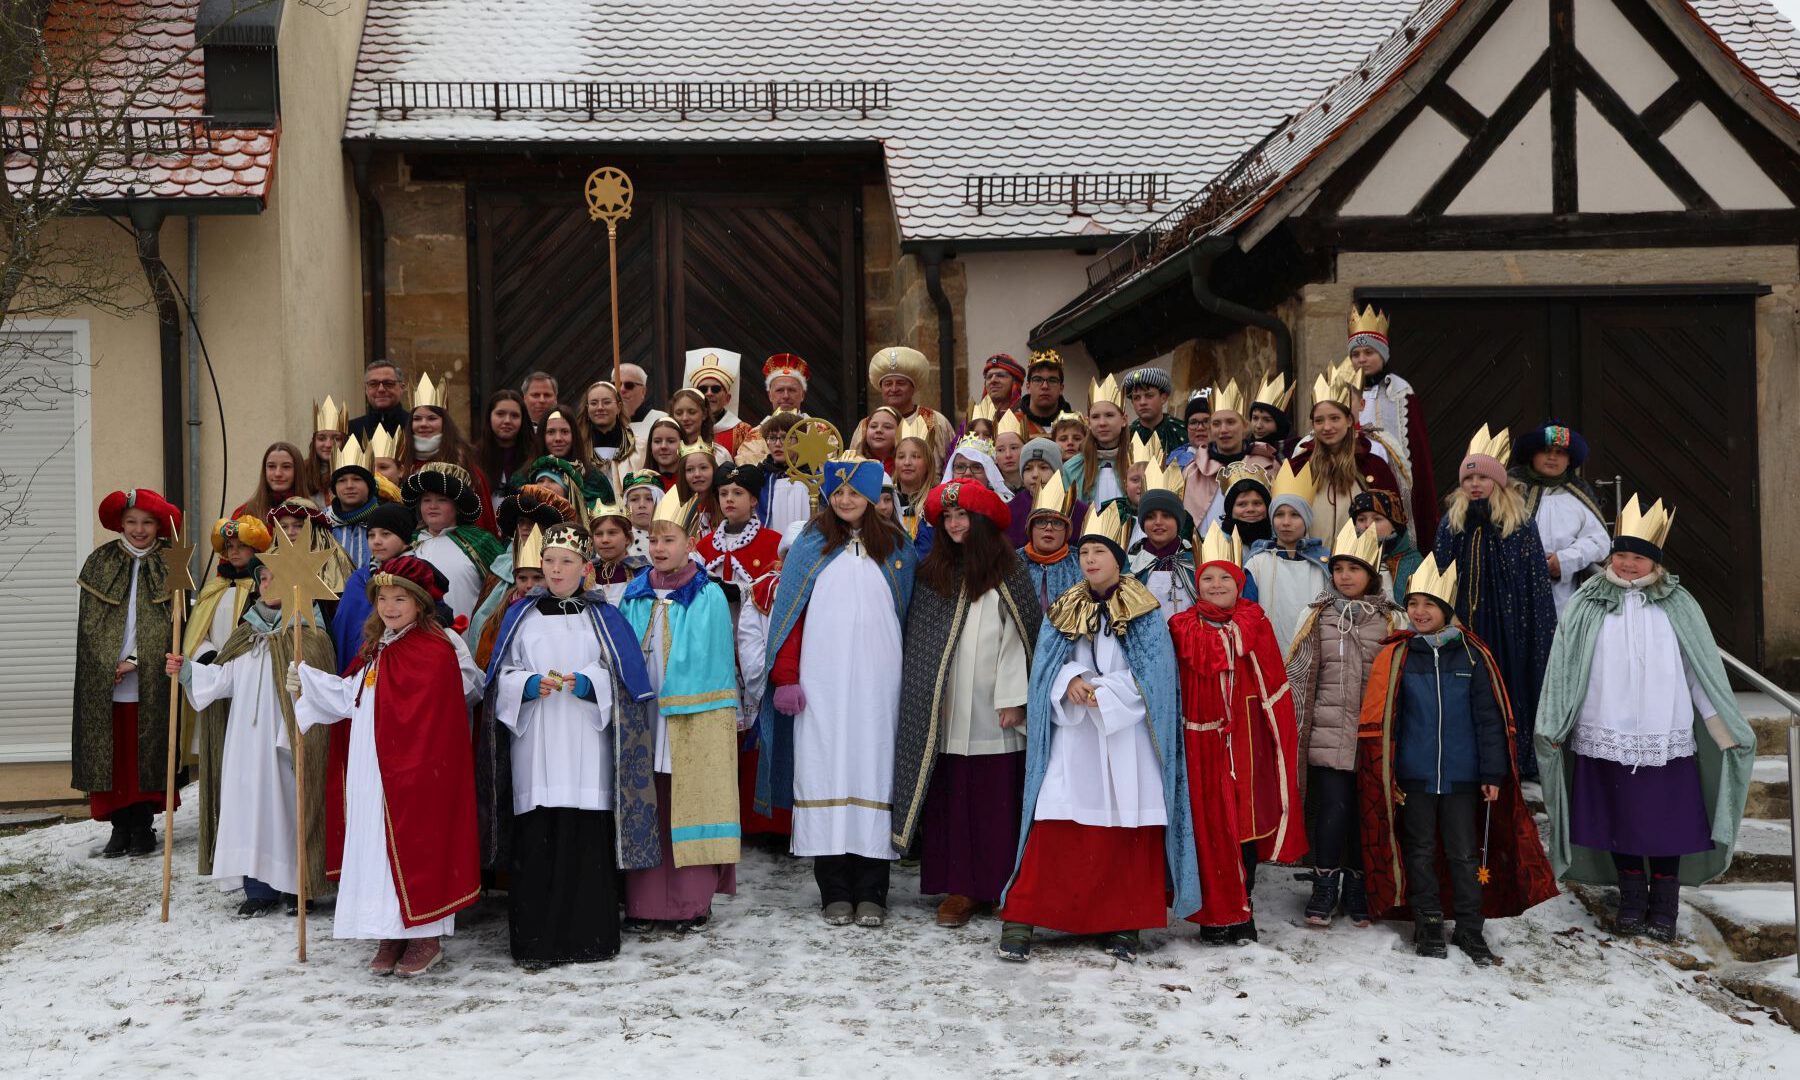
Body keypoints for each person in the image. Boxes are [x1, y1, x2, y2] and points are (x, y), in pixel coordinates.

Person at [1536, 497, 1754, 943]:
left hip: (1662, 730)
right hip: (1604, 727)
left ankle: (1665, 904)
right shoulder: (1587, 602)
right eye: (1621, 554)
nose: (1628, 564)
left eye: (1638, 557)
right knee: (1618, 819)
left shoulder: (1678, 604)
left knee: (1668, 823)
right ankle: (1632, 899)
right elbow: (1566, 667)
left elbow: (1699, 669)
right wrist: (1556, 723)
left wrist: (1721, 726)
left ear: (1655, 561)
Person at [997, 504, 1202, 962]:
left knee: (1129, 824)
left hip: (1126, 738)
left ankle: (1124, 922)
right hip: (1075, 737)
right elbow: (1046, 665)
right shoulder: (1067, 604)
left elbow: (1157, 677)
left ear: (1118, 559)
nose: (1090, 560)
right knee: (1054, 818)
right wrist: (1068, 681)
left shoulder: (1143, 609)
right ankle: (1022, 917)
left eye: (1100, 552)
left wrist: (1106, 693)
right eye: (1085, 551)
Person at [1357, 555, 1557, 961]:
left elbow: (1490, 720)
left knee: (1464, 853)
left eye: (1429, 604)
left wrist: (1492, 774)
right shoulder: (1397, 655)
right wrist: (1388, 774)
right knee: (1419, 850)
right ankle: (1428, 921)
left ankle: (1469, 926)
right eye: (1413, 604)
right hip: (1413, 777)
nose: (1420, 612)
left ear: (1446, 609)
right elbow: (1386, 722)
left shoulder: (1472, 655)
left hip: (1463, 778)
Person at [294, 556, 483, 976]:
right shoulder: (379, 646)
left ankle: (425, 937)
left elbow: (431, 715)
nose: (390, 607)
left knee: (417, 846)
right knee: (377, 846)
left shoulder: (434, 648)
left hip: (414, 770)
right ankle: (389, 931)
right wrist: (306, 681)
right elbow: (354, 696)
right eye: (383, 599)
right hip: (374, 768)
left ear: (419, 603)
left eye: (400, 599)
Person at [486, 524, 657, 965]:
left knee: (584, 837)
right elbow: (501, 676)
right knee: (538, 836)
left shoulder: (603, 617)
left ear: (585, 567)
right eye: (549, 561)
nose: (556, 570)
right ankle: (536, 941)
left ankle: (591, 938)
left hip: (586, 744)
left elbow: (621, 676)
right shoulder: (520, 616)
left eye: (567, 561)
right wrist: (526, 685)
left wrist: (588, 683)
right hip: (536, 745)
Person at [757, 456, 918, 927]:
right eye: (838, 493)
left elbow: (911, 617)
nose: (846, 500)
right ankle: (834, 891)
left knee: (874, 773)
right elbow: (790, 617)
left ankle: (873, 891)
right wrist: (786, 677)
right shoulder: (809, 545)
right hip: (820, 684)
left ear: (871, 496)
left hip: (880, 685)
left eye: (854, 492)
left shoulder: (898, 548)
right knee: (824, 773)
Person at [893, 480, 1041, 929]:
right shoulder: (932, 574)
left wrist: (1015, 699)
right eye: (948, 518)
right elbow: (921, 645)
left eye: (963, 516)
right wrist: (925, 698)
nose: (955, 524)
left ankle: (1000, 883)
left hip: (994, 711)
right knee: (952, 797)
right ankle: (960, 886)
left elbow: (1020, 637)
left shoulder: (1008, 572)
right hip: (947, 706)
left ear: (981, 521)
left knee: (995, 797)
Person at [167, 562, 334, 917]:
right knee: (249, 811)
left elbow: (321, 689)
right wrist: (189, 672)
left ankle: (298, 886)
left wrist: (302, 695)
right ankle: (258, 889)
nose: (266, 584)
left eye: (275, 577)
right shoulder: (247, 634)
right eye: (262, 579)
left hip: (286, 743)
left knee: (289, 809)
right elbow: (224, 679)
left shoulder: (310, 633)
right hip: (245, 743)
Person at [1169, 523, 1306, 943]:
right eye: (1207, 579)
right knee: (1208, 825)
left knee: (1245, 824)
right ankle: (1214, 916)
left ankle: (1242, 909)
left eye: (1224, 578)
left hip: (1247, 739)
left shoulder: (1254, 621)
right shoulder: (1181, 626)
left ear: (1239, 582)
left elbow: (1273, 681)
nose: (1215, 585)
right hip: (1199, 738)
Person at [617, 492, 743, 933]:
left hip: (691, 715)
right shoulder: (634, 594)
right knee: (649, 800)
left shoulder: (706, 595)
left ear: (690, 543)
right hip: (645, 713)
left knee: (689, 800)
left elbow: (712, 657)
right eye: (653, 540)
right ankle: (643, 902)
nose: (658, 548)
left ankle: (691, 903)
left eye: (668, 539)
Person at [1284, 521, 1402, 929]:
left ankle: (1357, 885)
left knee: (1365, 814)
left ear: (1371, 574)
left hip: (1371, 737)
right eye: (1338, 569)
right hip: (1327, 734)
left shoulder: (1391, 620)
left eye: (1354, 569)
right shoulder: (1317, 615)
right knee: (1332, 810)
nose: (1345, 576)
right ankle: (1324, 885)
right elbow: (1299, 673)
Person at [1433, 426, 1556, 774]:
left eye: (1483, 477)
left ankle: (1511, 760)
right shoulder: (1452, 523)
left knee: (1506, 687)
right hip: (1462, 624)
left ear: (1498, 481)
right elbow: (1439, 573)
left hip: (1508, 624)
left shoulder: (1519, 525)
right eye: (1468, 478)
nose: (1475, 484)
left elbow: (1535, 581)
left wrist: (1538, 631)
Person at [74, 490, 183, 857]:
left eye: (147, 522)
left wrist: (136, 660)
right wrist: (105, 664)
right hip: (107, 675)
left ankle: (142, 825)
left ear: (158, 525)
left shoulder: (171, 562)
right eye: (132, 522)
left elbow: (173, 625)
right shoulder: (101, 561)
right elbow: (89, 626)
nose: (139, 529)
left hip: (150, 675)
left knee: (144, 749)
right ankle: (119, 827)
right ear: (120, 523)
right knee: (114, 751)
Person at [185, 515, 273, 875]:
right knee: (222, 763)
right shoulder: (214, 589)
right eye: (230, 547)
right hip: (216, 684)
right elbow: (198, 632)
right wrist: (207, 658)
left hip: (254, 686)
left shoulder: (264, 587)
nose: (235, 552)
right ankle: (223, 839)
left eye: (243, 547)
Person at [1348, 306, 1438, 543]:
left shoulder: (1399, 392)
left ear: (1383, 354)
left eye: (1369, 352)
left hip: (1390, 480)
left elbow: (1416, 449)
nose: (1362, 359)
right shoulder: (1342, 390)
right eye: (1356, 354)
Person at [1289, 362, 1400, 542]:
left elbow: (1392, 522)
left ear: (1349, 420)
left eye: (1335, 418)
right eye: (1319, 420)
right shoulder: (1299, 466)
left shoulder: (1374, 466)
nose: (1327, 427)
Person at [1511, 423, 1609, 615]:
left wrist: (1564, 560)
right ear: (1532, 454)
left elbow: (1599, 541)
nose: (1552, 457)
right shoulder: (1509, 492)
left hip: (1564, 596)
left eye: (1560, 452)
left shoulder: (1578, 496)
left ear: (1569, 459)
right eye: (1545, 451)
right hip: (1514, 592)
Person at [1242, 461, 1329, 652]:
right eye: (1279, 514)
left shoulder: (1323, 564)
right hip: (1268, 652)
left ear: (1307, 519)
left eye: (1295, 515)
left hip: (1313, 652)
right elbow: (1248, 610)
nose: (1286, 522)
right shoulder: (1257, 562)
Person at [403, 462, 504, 621]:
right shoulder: (407, 543)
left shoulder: (481, 542)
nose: (433, 506)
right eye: (426, 500)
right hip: (416, 633)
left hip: (466, 633)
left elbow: (501, 593)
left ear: (457, 506)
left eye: (442, 500)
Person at [1181, 381, 1278, 528]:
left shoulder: (1268, 465)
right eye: (1216, 424)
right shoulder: (1193, 471)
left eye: (1231, 422)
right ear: (1210, 429)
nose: (1223, 430)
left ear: (1245, 426)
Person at [329, 502, 415, 665]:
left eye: (386, 534)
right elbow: (343, 632)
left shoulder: (420, 576)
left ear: (404, 537)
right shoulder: (359, 579)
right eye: (371, 535)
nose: (376, 541)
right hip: (361, 669)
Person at [847, 346, 955, 460]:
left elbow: (953, 463)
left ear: (913, 388)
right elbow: (853, 464)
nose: (894, 389)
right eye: (888, 384)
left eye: (901, 383)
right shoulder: (867, 426)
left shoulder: (934, 421)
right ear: (881, 388)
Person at [1126, 462, 1195, 623]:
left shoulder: (1193, 561)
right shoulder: (1131, 563)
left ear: (1178, 521)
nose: (1158, 522)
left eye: (1166, 516)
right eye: (1150, 517)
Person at [1018, 472, 1082, 612]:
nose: (1048, 528)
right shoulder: (1013, 563)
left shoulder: (1080, 563)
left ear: (1066, 532)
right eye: (1041, 522)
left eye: (1057, 523)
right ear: (1030, 529)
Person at [1350, 489, 1422, 605]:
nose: (1368, 525)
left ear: (1394, 525)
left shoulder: (1414, 564)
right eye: (1361, 519)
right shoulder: (1346, 560)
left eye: (1377, 519)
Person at [324, 435, 381, 572]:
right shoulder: (323, 522)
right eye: (342, 480)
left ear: (369, 486)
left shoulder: (384, 520)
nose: (349, 486)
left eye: (357, 479)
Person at [686, 349, 759, 455]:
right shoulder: (683, 428)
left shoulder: (743, 432)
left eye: (716, 389)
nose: (709, 393)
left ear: (727, 398)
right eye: (703, 389)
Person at [474, 389, 539, 505]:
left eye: (514, 415)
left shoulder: (536, 459)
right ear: (489, 416)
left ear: (522, 419)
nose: (507, 421)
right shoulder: (473, 458)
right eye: (500, 414)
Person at [234, 441, 321, 520]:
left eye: (286, 467)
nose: (278, 473)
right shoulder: (245, 513)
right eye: (271, 466)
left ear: (298, 471)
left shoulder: (313, 512)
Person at [578, 380, 636, 496]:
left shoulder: (638, 447)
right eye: (594, 403)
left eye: (607, 402)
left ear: (619, 407)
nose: (600, 407)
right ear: (587, 409)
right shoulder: (577, 447)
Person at [589, 497, 647, 605]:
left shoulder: (642, 573)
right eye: (598, 534)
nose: (605, 540)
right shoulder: (586, 574)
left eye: (612, 533)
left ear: (627, 538)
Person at [1122, 367, 1184, 459]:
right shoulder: (1126, 436)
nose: (1142, 402)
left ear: (1163, 398)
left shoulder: (1181, 432)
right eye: (1136, 398)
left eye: (1149, 396)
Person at [1012, 350, 1072, 439]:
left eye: (1052, 380)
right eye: (1037, 380)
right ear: (1028, 387)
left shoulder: (1075, 424)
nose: (1045, 386)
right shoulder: (1013, 423)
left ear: (1061, 388)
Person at [348, 360, 410, 444]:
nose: (381, 389)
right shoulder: (350, 430)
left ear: (402, 388)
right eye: (373, 384)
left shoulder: (414, 426)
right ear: (366, 390)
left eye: (388, 383)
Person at [667, 387, 733, 466]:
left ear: (704, 414)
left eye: (692, 412)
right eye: (679, 413)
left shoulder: (720, 455)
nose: (685, 418)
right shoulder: (665, 453)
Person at [1218, 463, 1273, 548]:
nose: (1250, 509)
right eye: (1242, 504)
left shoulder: (1281, 539)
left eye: (1257, 503)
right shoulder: (1218, 543)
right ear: (1230, 510)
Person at [1248, 370, 1295, 456]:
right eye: (1255, 418)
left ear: (1280, 424)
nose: (1258, 426)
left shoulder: (1296, 453)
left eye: (1267, 420)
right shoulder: (1242, 451)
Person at [621, 362, 667, 446]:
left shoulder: (661, 420)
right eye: (616, 384)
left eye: (629, 385)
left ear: (643, 391)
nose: (622, 389)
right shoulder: (603, 422)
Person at [309, 397, 350, 490]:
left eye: (336, 439)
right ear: (314, 441)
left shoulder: (356, 473)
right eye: (321, 438)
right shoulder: (302, 471)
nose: (328, 445)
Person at [1167, 391, 1211, 470]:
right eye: (1193, 422)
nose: (1200, 428)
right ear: (1187, 428)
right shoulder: (1173, 462)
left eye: (1206, 421)